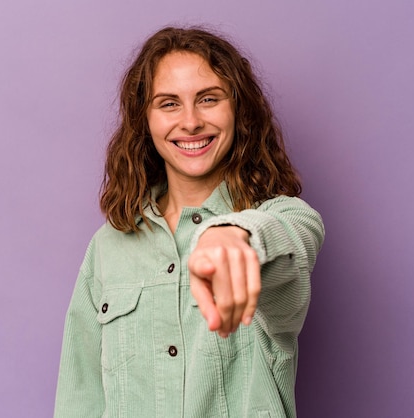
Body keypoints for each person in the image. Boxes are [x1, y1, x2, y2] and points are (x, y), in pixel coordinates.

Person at [54, 26, 325, 417]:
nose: (191, 121)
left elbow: (295, 235)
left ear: (238, 109)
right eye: (168, 104)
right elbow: (79, 398)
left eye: (208, 99)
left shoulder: (280, 218)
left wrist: (233, 236)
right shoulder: (108, 246)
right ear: (144, 120)